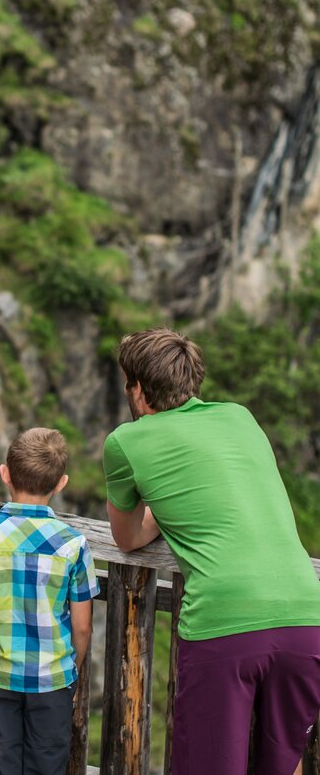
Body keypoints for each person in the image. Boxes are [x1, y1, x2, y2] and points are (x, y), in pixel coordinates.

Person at [103, 327, 320, 775]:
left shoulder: (126, 441)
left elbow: (125, 537)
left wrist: (168, 510)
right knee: (284, 764)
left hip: (225, 622)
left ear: (139, 390)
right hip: (306, 615)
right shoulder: (241, 417)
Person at [0, 427, 98, 775]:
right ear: (61, 483)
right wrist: (71, 670)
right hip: (53, 679)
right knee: (48, 764)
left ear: (5, 474)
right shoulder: (74, 544)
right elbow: (83, 627)